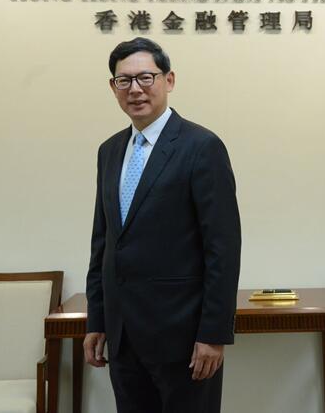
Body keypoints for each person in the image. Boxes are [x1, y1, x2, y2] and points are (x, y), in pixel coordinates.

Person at [84, 37, 241, 413]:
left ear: (169, 80)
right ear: (113, 87)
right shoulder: (109, 151)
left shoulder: (201, 147)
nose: (135, 89)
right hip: (123, 338)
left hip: (184, 340)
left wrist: (214, 334)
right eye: (124, 80)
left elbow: (222, 247)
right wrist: (97, 319)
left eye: (146, 77)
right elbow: (103, 242)